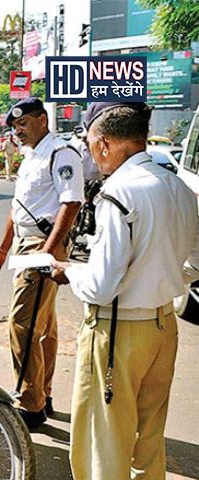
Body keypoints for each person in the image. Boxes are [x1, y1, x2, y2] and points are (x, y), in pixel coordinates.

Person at [50, 102, 199, 480]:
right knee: (149, 442)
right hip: (163, 327)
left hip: (118, 331)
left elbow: (100, 286)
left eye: (88, 143)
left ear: (103, 144)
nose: (88, 153)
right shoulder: (179, 187)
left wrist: (69, 272)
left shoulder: (119, 193)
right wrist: (160, 278)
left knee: (106, 443)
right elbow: (195, 264)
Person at [0, 97, 84, 429]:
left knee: (22, 325)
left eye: (23, 124)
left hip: (44, 244)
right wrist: (3, 249)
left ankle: (29, 404)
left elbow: (71, 204)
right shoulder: (32, 156)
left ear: (42, 120)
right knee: (44, 326)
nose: (18, 132)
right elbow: (18, 209)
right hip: (27, 243)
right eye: (14, 127)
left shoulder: (61, 152)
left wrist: (48, 252)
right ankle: (42, 392)